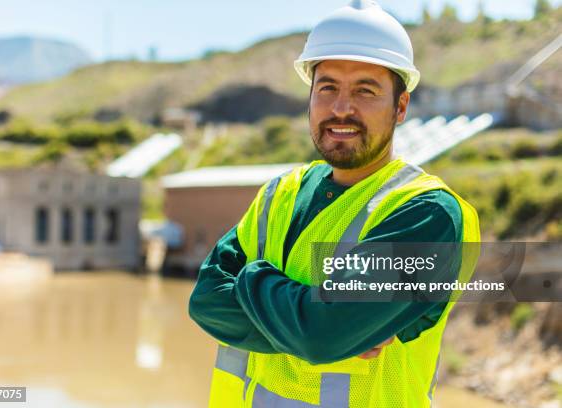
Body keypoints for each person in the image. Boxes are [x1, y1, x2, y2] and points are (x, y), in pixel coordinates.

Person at [189, 1, 480, 406]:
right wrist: (313, 317)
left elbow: (322, 333)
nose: (342, 108)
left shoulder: (427, 214)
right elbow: (206, 301)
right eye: (327, 88)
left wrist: (249, 280)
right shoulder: (280, 194)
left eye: (365, 90)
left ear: (400, 107)